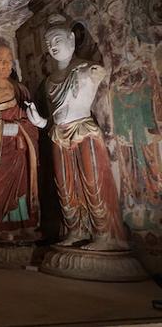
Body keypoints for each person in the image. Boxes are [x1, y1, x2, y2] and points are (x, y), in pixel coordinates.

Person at [43, 14, 128, 251]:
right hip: (58, 134)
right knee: (65, 185)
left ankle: (103, 235)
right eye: (48, 43)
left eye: (57, 40)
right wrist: (39, 121)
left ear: (71, 38)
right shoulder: (49, 81)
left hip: (83, 130)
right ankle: (76, 230)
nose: (53, 46)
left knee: (92, 181)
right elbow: (53, 115)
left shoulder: (88, 69)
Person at [0, 43, 45, 240]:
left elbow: (30, 117)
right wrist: (11, 128)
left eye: (9, 61)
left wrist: (28, 124)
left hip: (20, 147)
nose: (6, 65)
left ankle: (26, 224)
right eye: (1, 61)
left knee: (24, 185)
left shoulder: (20, 88)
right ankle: (0, 228)